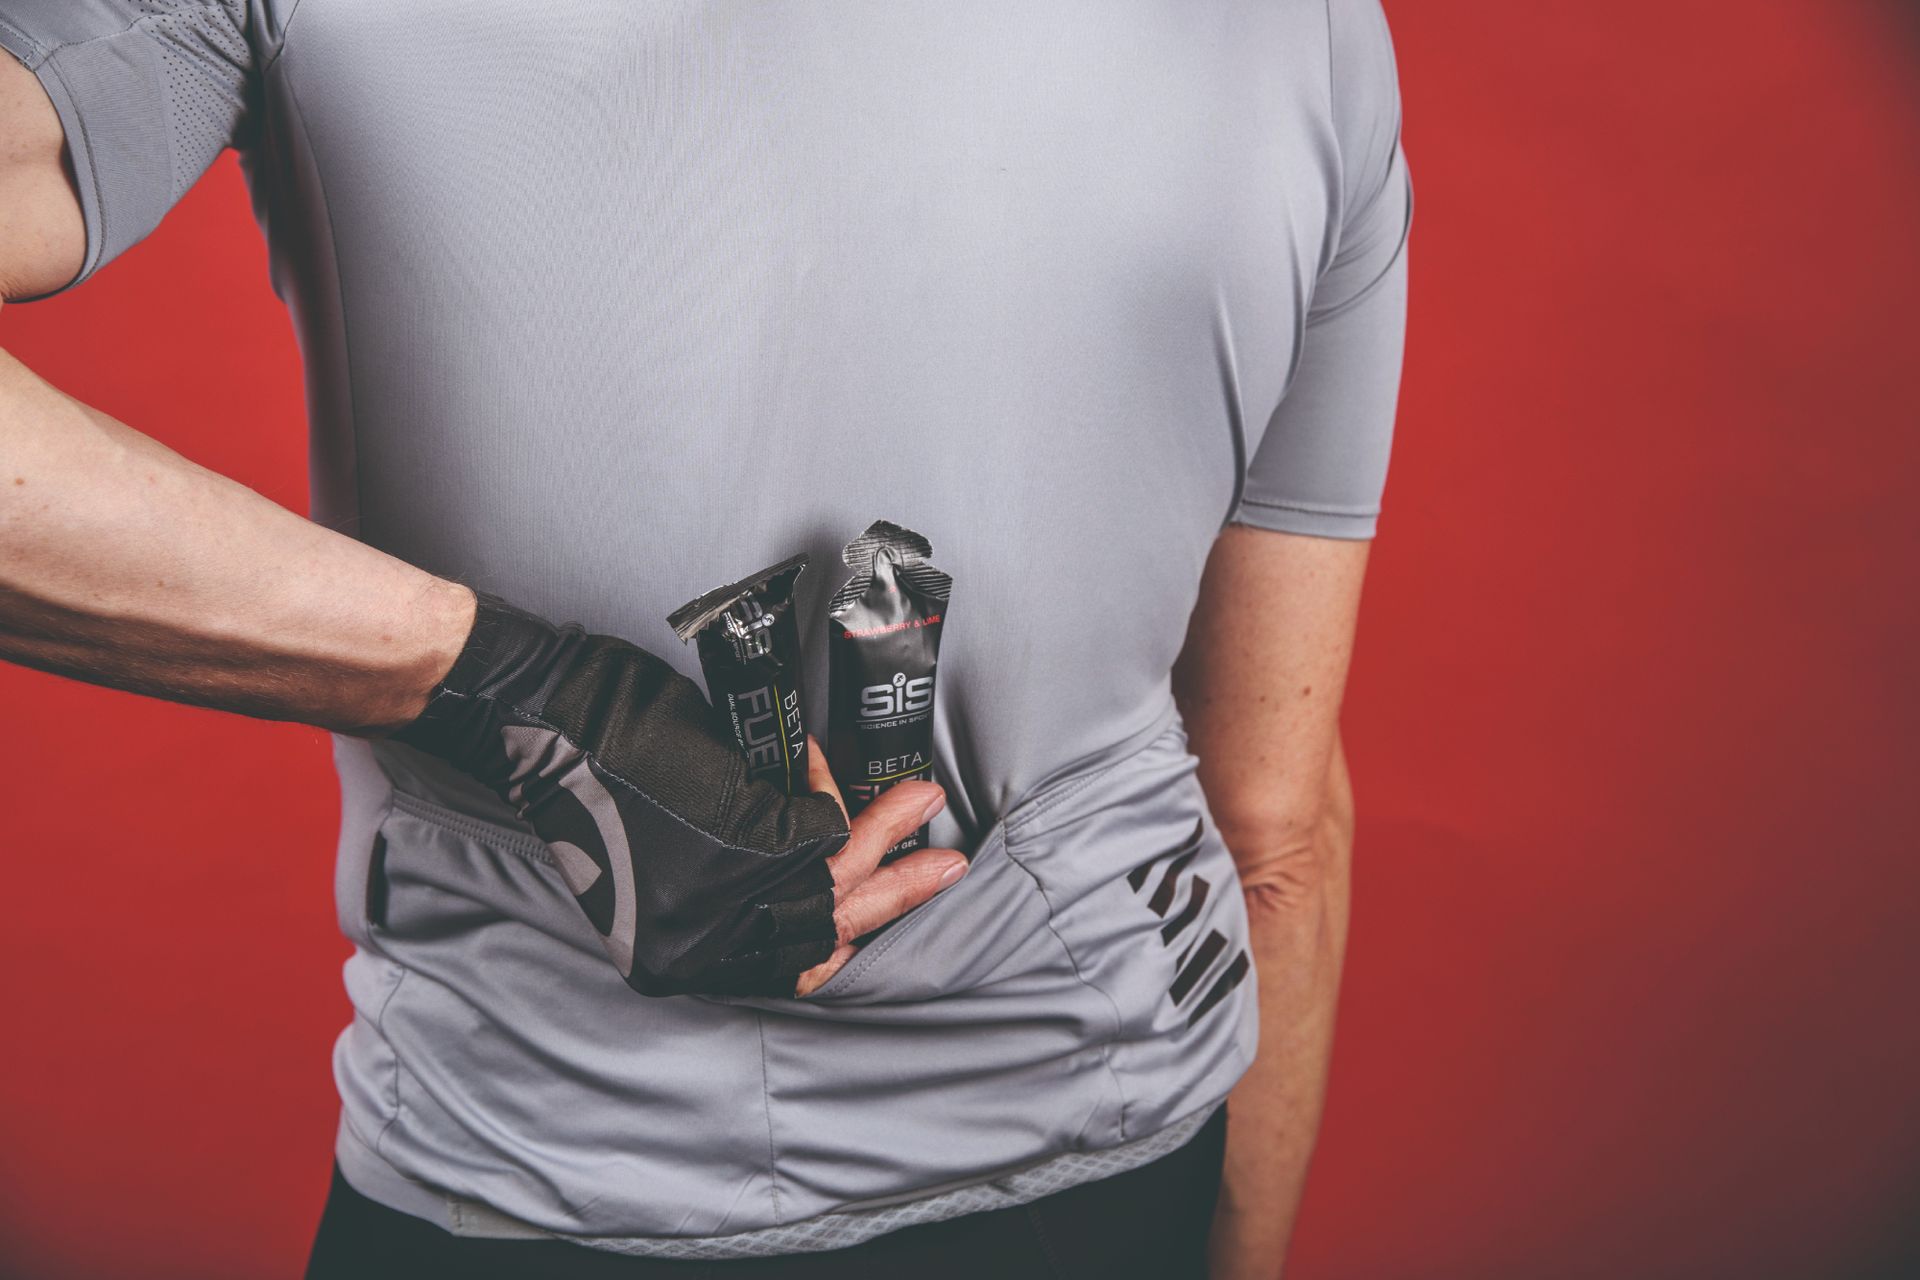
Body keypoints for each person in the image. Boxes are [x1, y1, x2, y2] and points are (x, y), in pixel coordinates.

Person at [0, 1, 1409, 1275]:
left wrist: (495, 684)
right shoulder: (1306, 32)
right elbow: (1274, 833)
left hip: (529, 1177)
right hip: (1116, 1166)